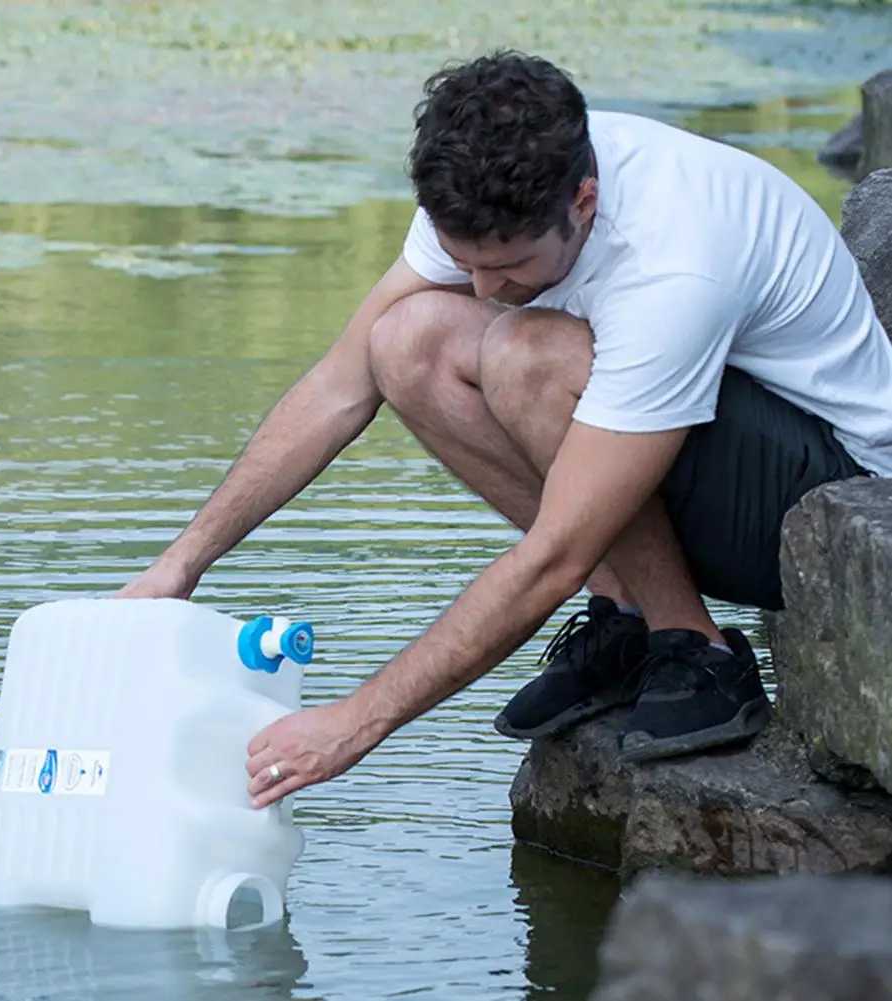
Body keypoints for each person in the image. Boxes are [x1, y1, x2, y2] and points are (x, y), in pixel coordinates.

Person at [117, 51, 892, 809]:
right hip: (713, 457)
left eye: (511, 264)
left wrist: (355, 721)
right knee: (405, 339)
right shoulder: (491, 181)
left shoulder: (674, 260)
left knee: (524, 350)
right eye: (466, 261)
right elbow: (338, 383)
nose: (486, 287)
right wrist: (180, 565)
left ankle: (698, 653)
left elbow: (553, 554)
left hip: (826, 505)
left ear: (582, 202)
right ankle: (628, 619)